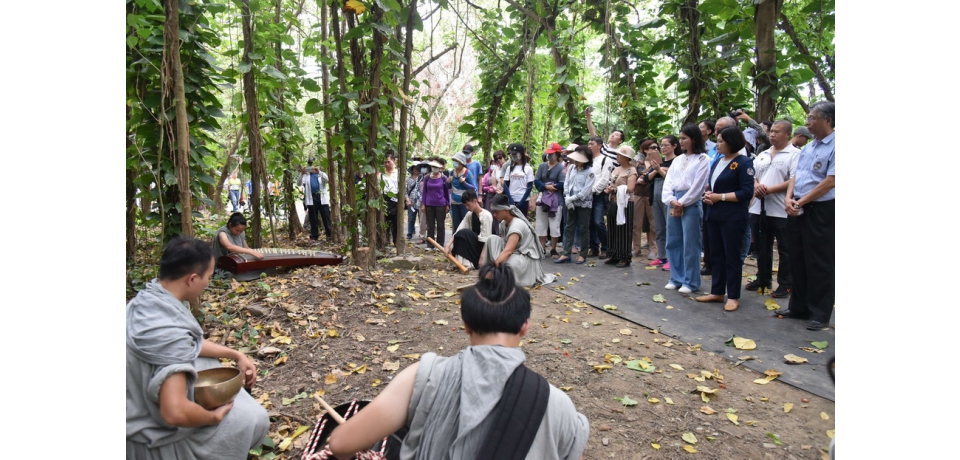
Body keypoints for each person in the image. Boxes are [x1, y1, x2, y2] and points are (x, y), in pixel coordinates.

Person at [326, 264, 589, 460]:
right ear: (524, 327)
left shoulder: (425, 376)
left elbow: (340, 444)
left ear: (465, 325)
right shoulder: (559, 407)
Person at [126, 237, 270, 459]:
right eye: (208, 278)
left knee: (208, 363)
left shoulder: (147, 300)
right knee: (253, 419)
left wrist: (234, 353)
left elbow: (187, 343)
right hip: (147, 440)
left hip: (135, 403)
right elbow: (175, 412)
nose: (208, 284)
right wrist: (212, 418)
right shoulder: (167, 333)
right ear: (192, 279)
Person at [775, 101, 836, 331]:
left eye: (812, 118)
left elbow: (830, 181)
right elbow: (796, 176)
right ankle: (798, 307)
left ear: (827, 120)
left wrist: (801, 201)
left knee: (819, 260)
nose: (807, 123)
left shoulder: (836, 145)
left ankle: (820, 313)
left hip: (820, 209)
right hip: (797, 206)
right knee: (796, 257)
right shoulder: (809, 147)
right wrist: (789, 198)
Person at [695, 127, 755, 312]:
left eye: (721, 141)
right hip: (714, 215)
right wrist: (709, 194)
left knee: (732, 256)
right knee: (716, 254)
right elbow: (714, 185)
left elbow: (746, 192)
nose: (717, 144)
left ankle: (733, 295)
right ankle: (717, 291)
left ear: (732, 142)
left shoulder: (744, 163)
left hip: (733, 217)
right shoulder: (718, 161)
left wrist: (719, 197)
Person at [746, 120, 801, 298]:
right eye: (771, 132)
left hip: (780, 209)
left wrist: (769, 190)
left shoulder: (794, 154)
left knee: (785, 248)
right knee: (762, 246)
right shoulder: (763, 154)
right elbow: (753, 176)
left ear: (787, 134)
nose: (772, 134)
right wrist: (756, 186)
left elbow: (794, 179)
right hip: (758, 208)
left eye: (777, 132)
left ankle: (785, 283)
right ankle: (763, 278)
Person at [661, 123, 711, 294]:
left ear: (694, 139)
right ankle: (676, 277)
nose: (681, 141)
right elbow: (668, 183)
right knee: (673, 241)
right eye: (680, 138)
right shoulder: (677, 160)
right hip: (674, 200)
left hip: (690, 202)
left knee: (690, 243)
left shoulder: (703, 159)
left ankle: (691, 281)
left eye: (684, 138)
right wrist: (671, 200)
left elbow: (699, 185)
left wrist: (682, 202)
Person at [483, 194, 550, 287]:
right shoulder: (503, 224)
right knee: (491, 239)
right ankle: (488, 271)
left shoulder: (517, 225)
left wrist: (494, 270)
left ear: (506, 210)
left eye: (496, 212)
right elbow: (505, 244)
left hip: (525, 258)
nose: (494, 215)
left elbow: (508, 251)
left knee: (509, 266)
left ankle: (496, 273)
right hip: (514, 253)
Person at [556, 147, 594, 265]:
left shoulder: (590, 172)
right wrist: (567, 197)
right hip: (570, 202)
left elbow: (586, 190)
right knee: (569, 227)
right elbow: (567, 183)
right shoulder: (572, 168)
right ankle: (566, 253)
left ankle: (583, 254)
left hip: (583, 204)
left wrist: (573, 198)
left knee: (583, 228)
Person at [602, 145, 638, 267]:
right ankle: (614, 254)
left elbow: (631, 188)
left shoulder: (632, 170)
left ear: (626, 158)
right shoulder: (616, 169)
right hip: (613, 201)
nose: (617, 157)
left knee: (624, 229)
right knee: (612, 228)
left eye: (619, 155)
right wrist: (609, 189)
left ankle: (625, 257)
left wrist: (616, 189)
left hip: (626, 202)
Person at [647, 136, 677, 270]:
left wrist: (660, 170)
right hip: (656, 195)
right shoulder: (659, 161)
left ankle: (672, 258)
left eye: (666, 145)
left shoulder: (677, 161)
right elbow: (647, 177)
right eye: (662, 145)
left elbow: (673, 180)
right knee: (659, 228)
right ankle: (662, 255)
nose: (663, 148)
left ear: (674, 146)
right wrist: (657, 169)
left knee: (671, 227)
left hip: (669, 196)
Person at [444, 190, 493, 271]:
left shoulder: (486, 215)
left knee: (465, 233)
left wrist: (482, 258)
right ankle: (459, 263)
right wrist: (448, 245)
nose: (467, 208)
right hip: (473, 244)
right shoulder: (469, 214)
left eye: (468, 205)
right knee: (459, 237)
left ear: (475, 201)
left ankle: (468, 264)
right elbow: (459, 231)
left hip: (483, 248)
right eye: (465, 206)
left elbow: (486, 239)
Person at [535, 143, 567, 258]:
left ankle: (553, 249)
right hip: (542, 198)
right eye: (548, 154)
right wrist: (545, 187)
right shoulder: (542, 166)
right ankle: (542, 247)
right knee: (540, 223)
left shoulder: (561, 168)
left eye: (552, 154)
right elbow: (537, 180)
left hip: (555, 200)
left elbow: (562, 183)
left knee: (554, 224)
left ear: (557, 154)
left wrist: (552, 187)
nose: (549, 156)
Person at [586, 136, 615, 259]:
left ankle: (605, 247)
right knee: (589, 223)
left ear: (599, 145)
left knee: (598, 221)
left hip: (598, 195)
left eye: (592, 143)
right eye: (588, 143)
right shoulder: (587, 160)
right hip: (586, 196)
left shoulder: (605, 160)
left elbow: (604, 178)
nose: (589, 146)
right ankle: (593, 247)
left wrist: (593, 190)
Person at [633, 140, 659, 260]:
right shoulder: (639, 163)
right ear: (645, 150)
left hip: (651, 194)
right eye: (651, 147)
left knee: (653, 223)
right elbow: (639, 176)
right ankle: (636, 248)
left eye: (656, 147)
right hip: (638, 194)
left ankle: (654, 249)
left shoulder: (659, 163)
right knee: (636, 223)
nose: (655, 149)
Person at [420, 159, 451, 249]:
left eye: (436, 167)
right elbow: (425, 191)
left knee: (440, 225)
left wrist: (447, 204)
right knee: (430, 225)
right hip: (429, 204)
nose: (435, 168)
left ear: (439, 168)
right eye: (433, 167)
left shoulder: (443, 178)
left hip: (441, 204)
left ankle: (440, 245)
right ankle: (430, 245)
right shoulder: (427, 177)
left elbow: (446, 192)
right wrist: (423, 204)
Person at [447, 151, 478, 234]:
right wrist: (448, 182)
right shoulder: (451, 172)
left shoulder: (467, 173)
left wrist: (464, 183)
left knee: (465, 224)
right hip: (454, 202)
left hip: (464, 204)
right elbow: (448, 187)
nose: (455, 163)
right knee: (456, 224)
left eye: (456, 161)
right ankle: (456, 243)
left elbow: (474, 188)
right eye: (454, 161)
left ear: (461, 163)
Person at [501, 143, 535, 216]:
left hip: (523, 200)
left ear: (521, 154)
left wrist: (521, 202)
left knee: (522, 222)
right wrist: (510, 199)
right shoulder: (509, 168)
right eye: (512, 154)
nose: (513, 156)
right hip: (511, 200)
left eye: (515, 154)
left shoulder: (528, 168)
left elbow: (529, 186)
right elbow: (505, 184)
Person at [300, 159, 324, 241]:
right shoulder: (306, 176)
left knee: (326, 216)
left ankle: (329, 234)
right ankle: (314, 235)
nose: (311, 168)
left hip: (321, 197)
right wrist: (301, 173)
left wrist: (319, 172)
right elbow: (298, 183)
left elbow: (327, 179)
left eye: (313, 166)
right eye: (309, 166)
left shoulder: (320, 174)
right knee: (313, 217)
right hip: (311, 198)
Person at [382, 152, 400, 247]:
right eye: (385, 162)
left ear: (394, 160)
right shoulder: (380, 173)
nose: (386, 164)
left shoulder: (398, 173)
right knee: (384, 221)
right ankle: (386, 242)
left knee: (395, 222)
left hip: (396, 199)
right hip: (384, 198)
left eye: (388, 162)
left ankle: (396, 241)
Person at [405, 160, 423, 241]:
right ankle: (410, 233)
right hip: (411, 202)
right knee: (411, 218)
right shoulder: (408, 179)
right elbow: (405, 191)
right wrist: (407, 200)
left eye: (417, 167)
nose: (416, 169)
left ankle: (422, 234)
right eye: (414, 167)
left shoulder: (423, 178)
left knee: (422, 219)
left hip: (421, 202)